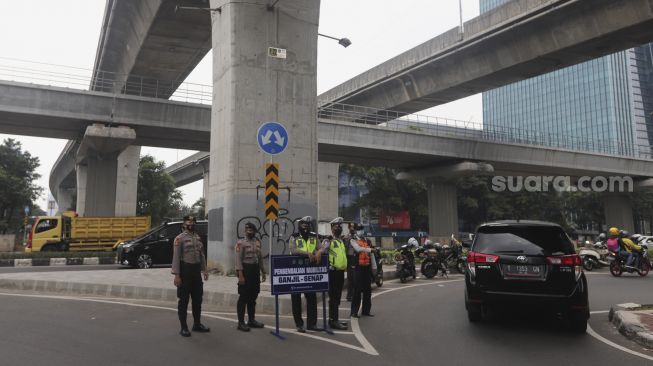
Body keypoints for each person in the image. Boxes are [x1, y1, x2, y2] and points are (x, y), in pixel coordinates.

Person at [172, 215, 210, 337]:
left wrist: (204, 269)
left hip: (196, 271)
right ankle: (183, 327)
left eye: (193, 222)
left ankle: (197, 324)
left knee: (197, 299)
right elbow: (176, 258)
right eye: (188, 221)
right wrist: (177, 275)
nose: (191, 223)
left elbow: (202, 254)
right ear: (183, 224)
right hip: (185, 271)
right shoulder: (179, 239)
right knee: (184, 300)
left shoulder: (197, 238)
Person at [288, 216, 319, 333]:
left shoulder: (313, 236)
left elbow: (321, 247)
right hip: (296, 271)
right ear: (299, 226)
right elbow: (293, 249)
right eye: (303, 225)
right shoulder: (294, 237)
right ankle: (299, 324)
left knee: (312, 297)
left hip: (310, 272)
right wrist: (307, 253)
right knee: (296, 298)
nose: (305, 227)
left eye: (307, 225)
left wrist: (319, 252)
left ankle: (312, 324)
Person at [317, 217, 348, 330]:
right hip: (332, 272)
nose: (338, 228)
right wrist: (319, 252)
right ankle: (333, 321)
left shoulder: (341, 241)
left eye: (340, 226)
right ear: (332, 228)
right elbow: (322, 250)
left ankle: (335, 319)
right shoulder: (328, 240)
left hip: (340, 273)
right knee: (334, 297)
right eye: (336, 226)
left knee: (338, 297)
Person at [235, 222, 266, 332]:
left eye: (251, 230)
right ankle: (241, 322)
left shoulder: (257, 242)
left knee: (253, 296)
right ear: (245, 231)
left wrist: (263, 271)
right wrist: (240, 275)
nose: (250, 232)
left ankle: (251, 320)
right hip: (245, 270)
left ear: (254, 231)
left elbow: (260, 257)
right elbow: (238, 260)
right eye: (248, 230)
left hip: (255, 270)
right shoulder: (241, 243)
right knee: (243, 297)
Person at [349, 224, 377, 318]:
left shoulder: (367, 240)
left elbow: (372, 255)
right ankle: (354, 312)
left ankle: (366, 311)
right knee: (357, 290)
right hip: (358, 268)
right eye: (359, 229)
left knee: (367, 290)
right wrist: (370, 249)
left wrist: (374, 267)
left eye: (362, 229)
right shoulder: (353, 240)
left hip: (367, 268)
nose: (361, 231)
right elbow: (358, 249)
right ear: (356, 230)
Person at [344, 222, 359, 302]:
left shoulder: (359, 237)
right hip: (349, 258)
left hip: (357, 258)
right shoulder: (346, 237)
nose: (352, 229)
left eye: (353, 227)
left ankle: (355, 294)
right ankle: (349, 295)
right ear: (349, 228)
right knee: (350, 278)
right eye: (351, 227)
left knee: (356, 278)